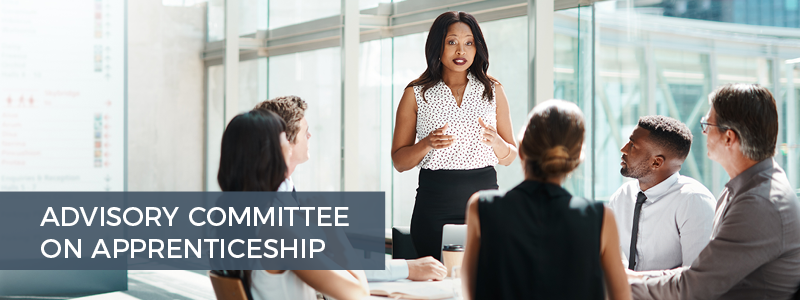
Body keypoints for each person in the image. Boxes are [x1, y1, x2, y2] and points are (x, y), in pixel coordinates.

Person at [629, 84, 800, 299]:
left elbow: (695, 288)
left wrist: (618, 286)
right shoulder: (745, 189)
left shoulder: (759, 203)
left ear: (729, 138)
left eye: (707, 124)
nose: (703, 132)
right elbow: (702, 273)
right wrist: (634, 278)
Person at [255, 96, 448, 282]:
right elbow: (335, 270)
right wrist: (408, 268)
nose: (310, 135)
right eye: (304, 130)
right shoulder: (275, 208)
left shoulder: (277, 193)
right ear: (285, 140)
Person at [462, 100, 631, 300]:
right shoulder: (601, 218)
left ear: (522, 150)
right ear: (577, 158)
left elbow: (469, 293)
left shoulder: (482, 207)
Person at [391, 11, 517, 262]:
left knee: (484, 282)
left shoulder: (493, 90)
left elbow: (510, 156)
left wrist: (496, 142)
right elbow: (400, 162)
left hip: (485, 207)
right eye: (452, 42)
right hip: (434, 206)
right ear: (437, 46)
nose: (461, 51)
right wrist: (426, 143)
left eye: (469, 43)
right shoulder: (416, 93)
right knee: (438, 281)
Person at [216, 109, 370, 300]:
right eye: (284, 142)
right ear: (269, 156)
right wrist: (331, 225)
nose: (289, 148)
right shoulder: (275, 227)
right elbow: (359, 293)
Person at [608, 116, 715, 271]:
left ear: (656, 162)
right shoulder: (623, 196)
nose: (623, 149)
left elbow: (698, 279)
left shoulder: (694, 201)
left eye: (633, 145)